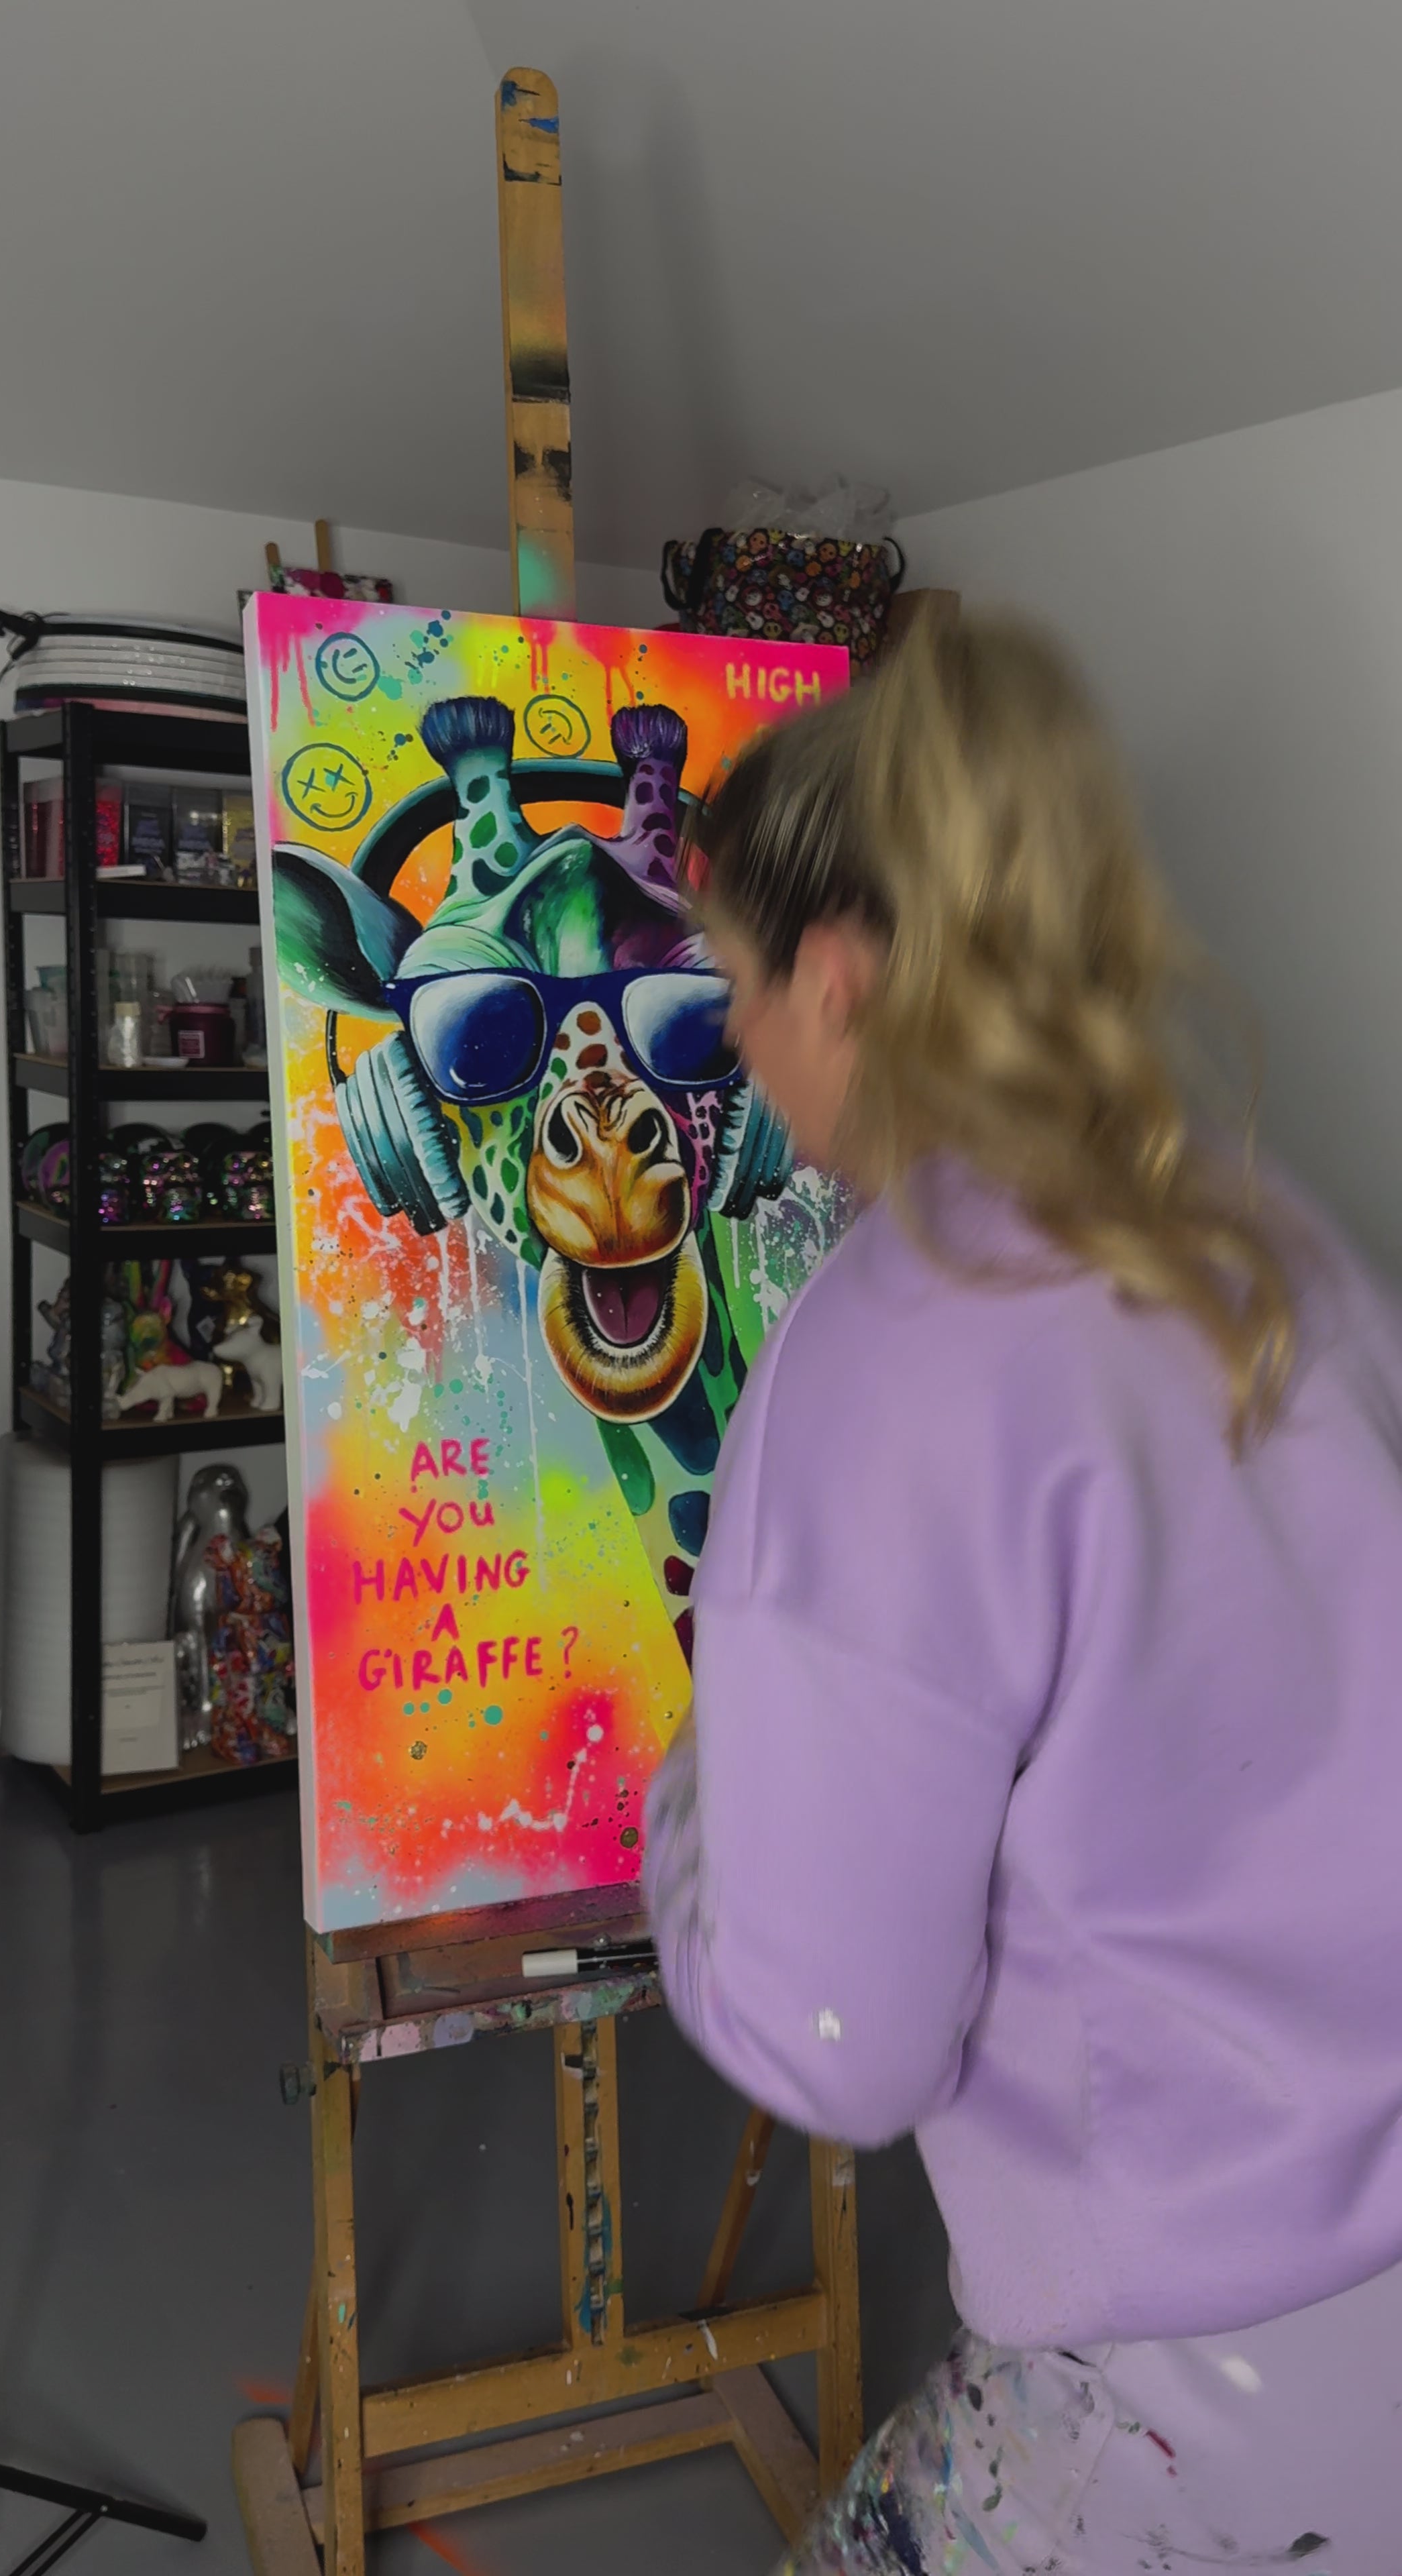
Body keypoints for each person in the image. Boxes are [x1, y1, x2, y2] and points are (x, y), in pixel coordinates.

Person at [642, 611, 1402, 2576]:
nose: (738, 1048)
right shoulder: (1259, 1224)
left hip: (1193, 2386)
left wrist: (682, 1812)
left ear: (836, 976)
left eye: (734, 988)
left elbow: (839, 2037)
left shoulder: (891, 1348)